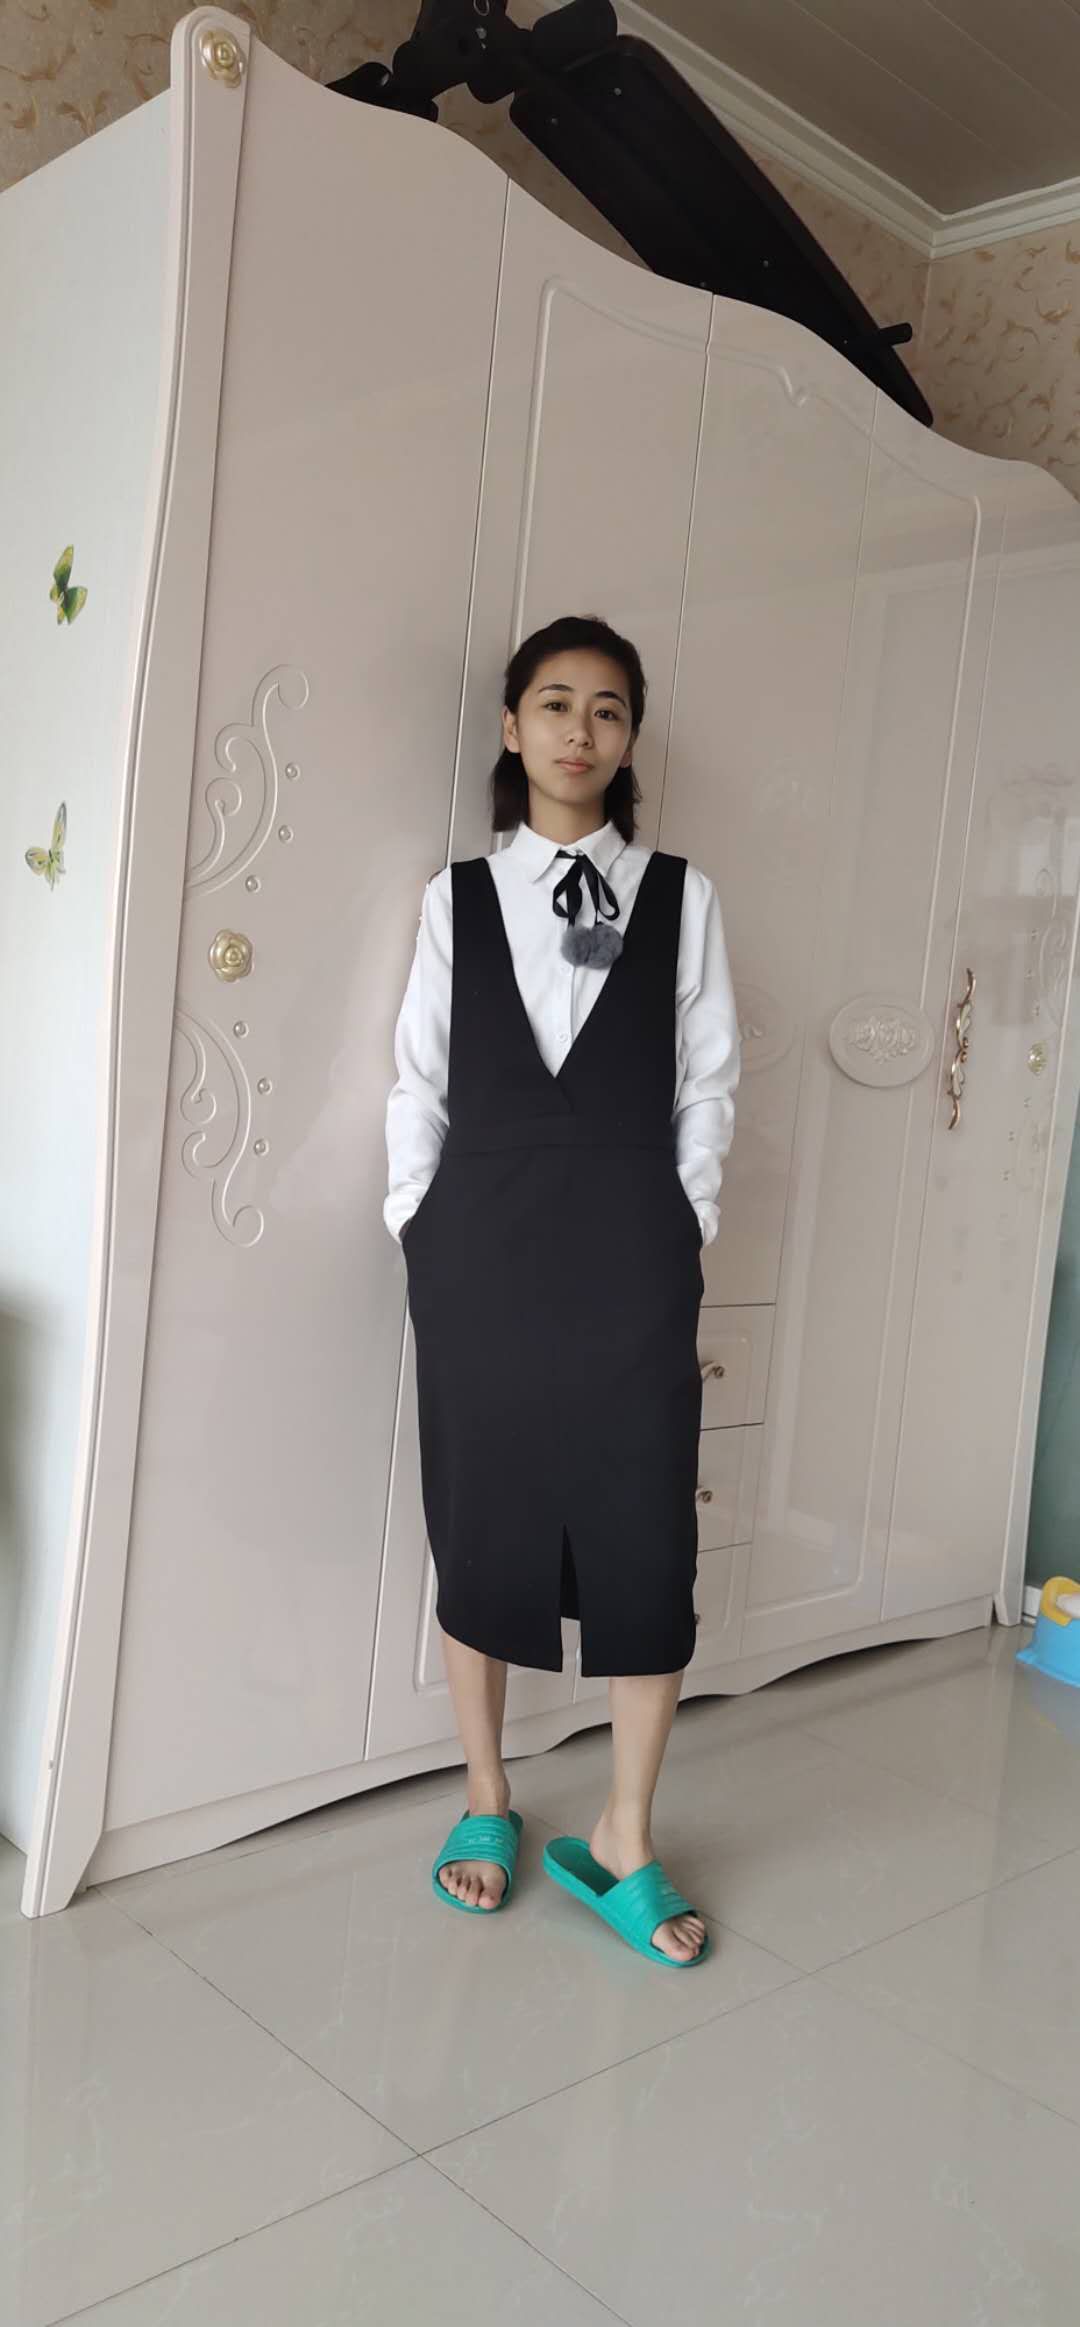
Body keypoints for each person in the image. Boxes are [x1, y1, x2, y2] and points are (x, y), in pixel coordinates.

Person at [384, 613, 740, 1966]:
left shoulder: (682, 898)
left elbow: (710, 1077)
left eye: (606, 708)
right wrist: (416, 1220)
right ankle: (488, 1795)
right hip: (475, 1245)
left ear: (629, 739)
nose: (579, 729)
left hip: (631, 1245)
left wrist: (683, 1215)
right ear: (512, 727)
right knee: (479, 1512)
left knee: (647, 1525)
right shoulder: (457, 899)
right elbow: (417, 1078)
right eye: (554, 702)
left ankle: (626, 1833)